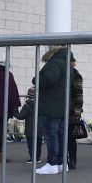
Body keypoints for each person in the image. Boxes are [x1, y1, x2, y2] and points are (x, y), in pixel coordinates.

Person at [36, 46, 71, 175]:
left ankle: (52, 163)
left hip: (50, 107)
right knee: (61, 136)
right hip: (62, 107)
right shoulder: (67, 65)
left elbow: (50, 79)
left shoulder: (54, 63)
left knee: (52, 136)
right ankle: (62, 163)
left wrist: (37, 80)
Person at [65, 58, 84, 171]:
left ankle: (71, 160)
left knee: (69, 137)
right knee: (70, 137)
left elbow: (78, 94)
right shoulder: (75, 74)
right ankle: (71, 160)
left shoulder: (75, 75)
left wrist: (77, 109)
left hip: (71, 109)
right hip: (72, 109)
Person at [17, 80, 42, 164]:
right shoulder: (41, 105)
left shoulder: (27, 106)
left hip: (30, 130)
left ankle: (32, 158)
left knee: (31, 145)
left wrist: (14, 111)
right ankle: (38, 157)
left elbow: (21, 116)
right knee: (38, 144)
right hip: (39, 129)